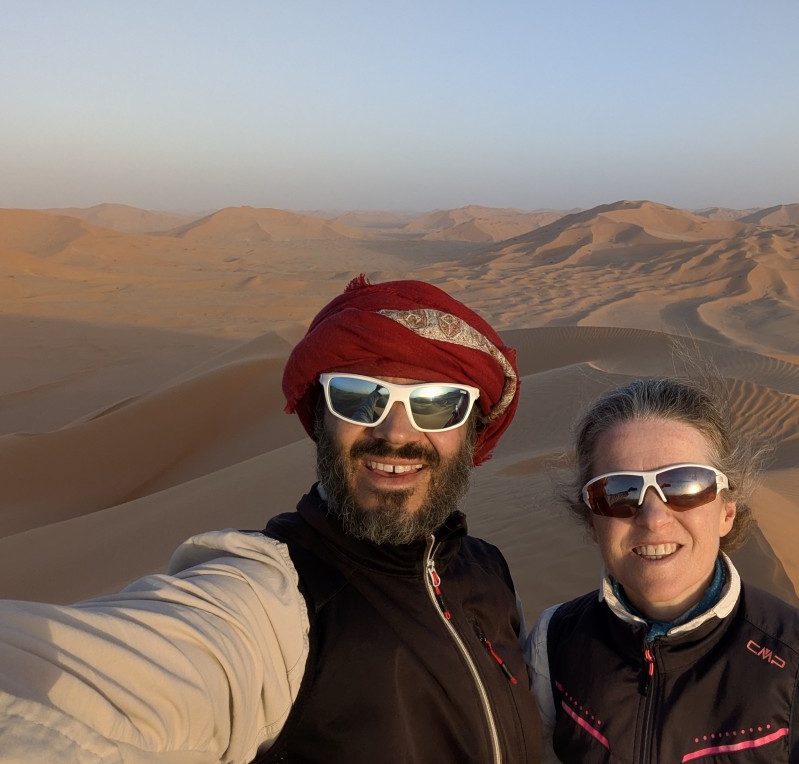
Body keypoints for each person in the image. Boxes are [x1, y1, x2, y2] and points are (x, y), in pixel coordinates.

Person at [0, 275, 542, 763]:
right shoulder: (271, 601)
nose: (395, 432)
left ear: (472, 429)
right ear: (321, 417)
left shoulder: (488, 574)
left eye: (438, 403)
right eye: (358, 397)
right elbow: (96, 679)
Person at [524, 376, 799, 763]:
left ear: (727, 511)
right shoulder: (552, 645)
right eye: (617, 492)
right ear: (592, 520)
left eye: (684, 485)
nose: (653, 518)